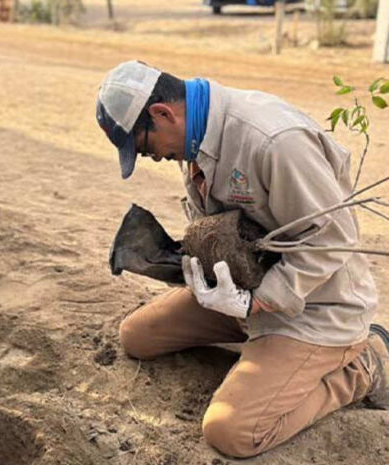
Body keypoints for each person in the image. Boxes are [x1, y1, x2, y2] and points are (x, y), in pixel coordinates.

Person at [96, 60, 389, 458]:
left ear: (162, 113)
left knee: (231, 432)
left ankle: (364, 364)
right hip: (243, 296)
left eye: (145, 146)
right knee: (137, 337)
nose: (151, 157)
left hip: (314, 308)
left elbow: (333, 240)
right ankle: (265, 352)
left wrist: (259, 301)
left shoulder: (273, 141)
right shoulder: (196, 136)